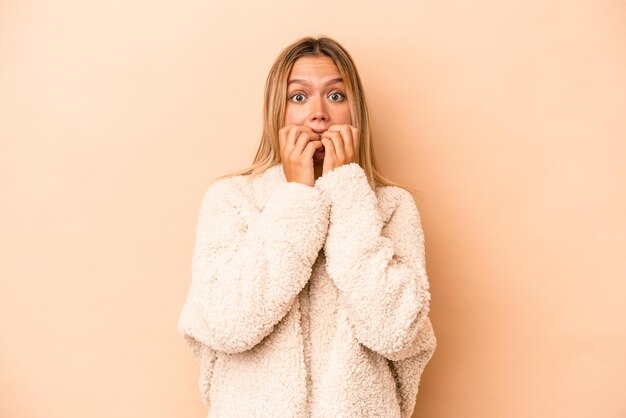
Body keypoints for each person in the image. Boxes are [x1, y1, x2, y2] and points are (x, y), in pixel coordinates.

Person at [177, 35, 437, 418]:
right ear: (277, 114)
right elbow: (228, 324)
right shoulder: (231, 199)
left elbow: (396, 330)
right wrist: (297, 196)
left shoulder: (393, 206)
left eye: (336, 96)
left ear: (355, 113)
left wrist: (347, 190)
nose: (319, 113)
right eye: (299, 97)